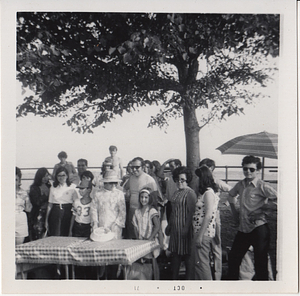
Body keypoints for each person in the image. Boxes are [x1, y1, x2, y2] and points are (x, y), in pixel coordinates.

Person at [227, 155, 277, 280]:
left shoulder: (262, 185)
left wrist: (262, 210)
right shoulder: (240, 184)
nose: (248, 172)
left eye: (252, 169)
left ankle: (263, 290)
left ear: (258, 171)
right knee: (233, 259)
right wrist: (235, 214)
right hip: (243, 229)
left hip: (259, 229)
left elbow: (279, 200)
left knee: (261, 263)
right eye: (245, 169)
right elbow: (230, 196)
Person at [199, 158, 232, 280]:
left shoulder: (217, 182)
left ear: (211, 168)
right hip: (203, 217)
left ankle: (218, 275)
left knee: (216, 245)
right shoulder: (200, 182)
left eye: (204, 167)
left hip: (214, 216)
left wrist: (228, 202)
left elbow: (232, 190)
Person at [165, 166, 197, 280]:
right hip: (175, 229)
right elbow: (174, 211)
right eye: (177, 179)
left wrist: (186, 228)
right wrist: (169, 225)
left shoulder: (190, 193)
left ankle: (189, 281)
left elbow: (191, 213)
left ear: (187, 180)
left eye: (182, 180)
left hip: (185, 229)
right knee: (175, 255)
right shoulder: (176, 193)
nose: (179, 182)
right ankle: (174, 279)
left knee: (187, 255)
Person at [193, 165, 220, 280]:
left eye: (198, 177)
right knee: (199, 263)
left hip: (203, 233)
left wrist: (200, 236)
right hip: (200, 231)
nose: (196, 180)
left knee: (202, 264)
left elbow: (208, 215)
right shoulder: (205, 193)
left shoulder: (208, 193)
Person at [130, 188, 161, 280]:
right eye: (142, 197)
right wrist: (138, 239)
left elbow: (157, 226)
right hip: (141, 241)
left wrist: (150, 238)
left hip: (151, 241)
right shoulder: (137, 211)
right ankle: (143, 278)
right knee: (141, 261)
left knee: (151, 261)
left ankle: (155, 279)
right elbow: (135, 226)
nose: (143, 200)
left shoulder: (151, 211)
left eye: (146, 197)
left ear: (149, 198)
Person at [123, 157, 158, 239]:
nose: (134, 169)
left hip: (144, 213)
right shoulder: (131, 178)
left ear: (143, 167)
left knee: (144, 236)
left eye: (137, 167)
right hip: (132, 211)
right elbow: (124, 188)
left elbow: (155, 199)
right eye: (132, 167)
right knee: (133, 235)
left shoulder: (149, 179)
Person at [91, 170, 126, 239]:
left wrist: (116, 224)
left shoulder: (119, 194)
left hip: (115, 225)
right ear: (105, 183)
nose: (113, 185)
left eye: (115, 183)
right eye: (111, 183)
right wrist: (95, 222)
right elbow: (93, 209)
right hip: (101, 223)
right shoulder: (98, 194)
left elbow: (122, 211)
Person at [45, 167, 78, 237]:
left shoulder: (72, 187)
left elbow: (76, 202)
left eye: (63, 175)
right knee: (55, 234)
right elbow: (50, 204)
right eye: (59, 175)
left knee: (66, 234)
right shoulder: (53, 187)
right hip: (56, 212)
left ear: (67, 176)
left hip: (68, 211)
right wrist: (46, 220)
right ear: (56, 176)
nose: (61, 177)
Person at [29, 167, 51, 240]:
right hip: (39, 213)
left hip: (49, 212)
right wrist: (45, 197)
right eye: (43, 176)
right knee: (39, 232)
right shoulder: (34, 187)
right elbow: (36, 202)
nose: (45, 178)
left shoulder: (49, 186)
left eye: (47, 176)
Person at [15, 167, 32, 245]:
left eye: (16, 180)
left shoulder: (24, 193)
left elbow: (28, 209)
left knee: (18, 245)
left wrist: (27, 200)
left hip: (20, 219)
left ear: (19, 181)